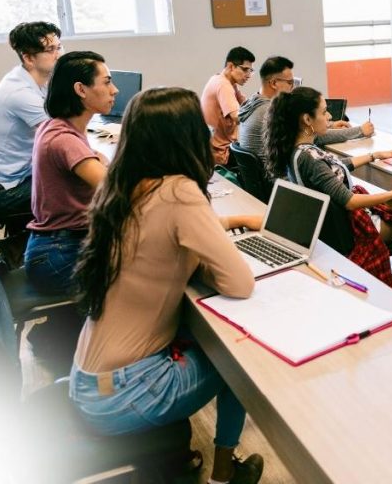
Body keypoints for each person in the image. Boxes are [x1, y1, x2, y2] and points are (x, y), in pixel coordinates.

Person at [70, 87, 265, 484]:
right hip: (126, 391)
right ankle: (224, 474)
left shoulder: (122, 184)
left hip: (90, 380)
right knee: (240, 360)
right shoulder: (179, 190)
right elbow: (240, 283)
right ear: (188, 135)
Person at [262, 87, 392, 287]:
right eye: (324, 111)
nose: (330, 116)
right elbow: (350, 201)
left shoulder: (296, 149)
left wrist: (373, 156)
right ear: (307, 120)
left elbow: (334, 170)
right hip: (351, 229)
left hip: (331, 228)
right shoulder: (311, 159)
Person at [24, 51, 116, 295]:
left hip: (54, 247)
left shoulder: (57, 126)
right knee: (151, 273)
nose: (114, 90)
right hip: (59, 255)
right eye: (107, 82)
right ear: (81, 89)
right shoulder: (65, 139)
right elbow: (116, 190)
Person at [0, 21, 63, 227]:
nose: (58, 54)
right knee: (79, 185)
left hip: (19, 176)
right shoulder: (20, 92)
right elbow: (60, 136)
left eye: (59, 47)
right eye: (50, 49)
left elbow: (60, 118)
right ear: (28, 58)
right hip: (6, 194)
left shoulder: (34, 80)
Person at [237, 55, 374, 158]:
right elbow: (314, 136)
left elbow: (303, 130)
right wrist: (360, 130)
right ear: (273, 83)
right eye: (290, 83)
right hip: (279, 181)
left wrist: (329, 124)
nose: (293, 89)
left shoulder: (254, 101)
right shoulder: (270, 112)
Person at [201, 46, 255, 167]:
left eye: (250, 71)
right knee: (262, 160)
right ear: (231, 66)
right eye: (245, 69)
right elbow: (238, 116)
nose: (248, 75)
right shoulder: (223, 85)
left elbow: (246, 104)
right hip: (221, 154)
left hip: (214, 150)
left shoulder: (222, 80)